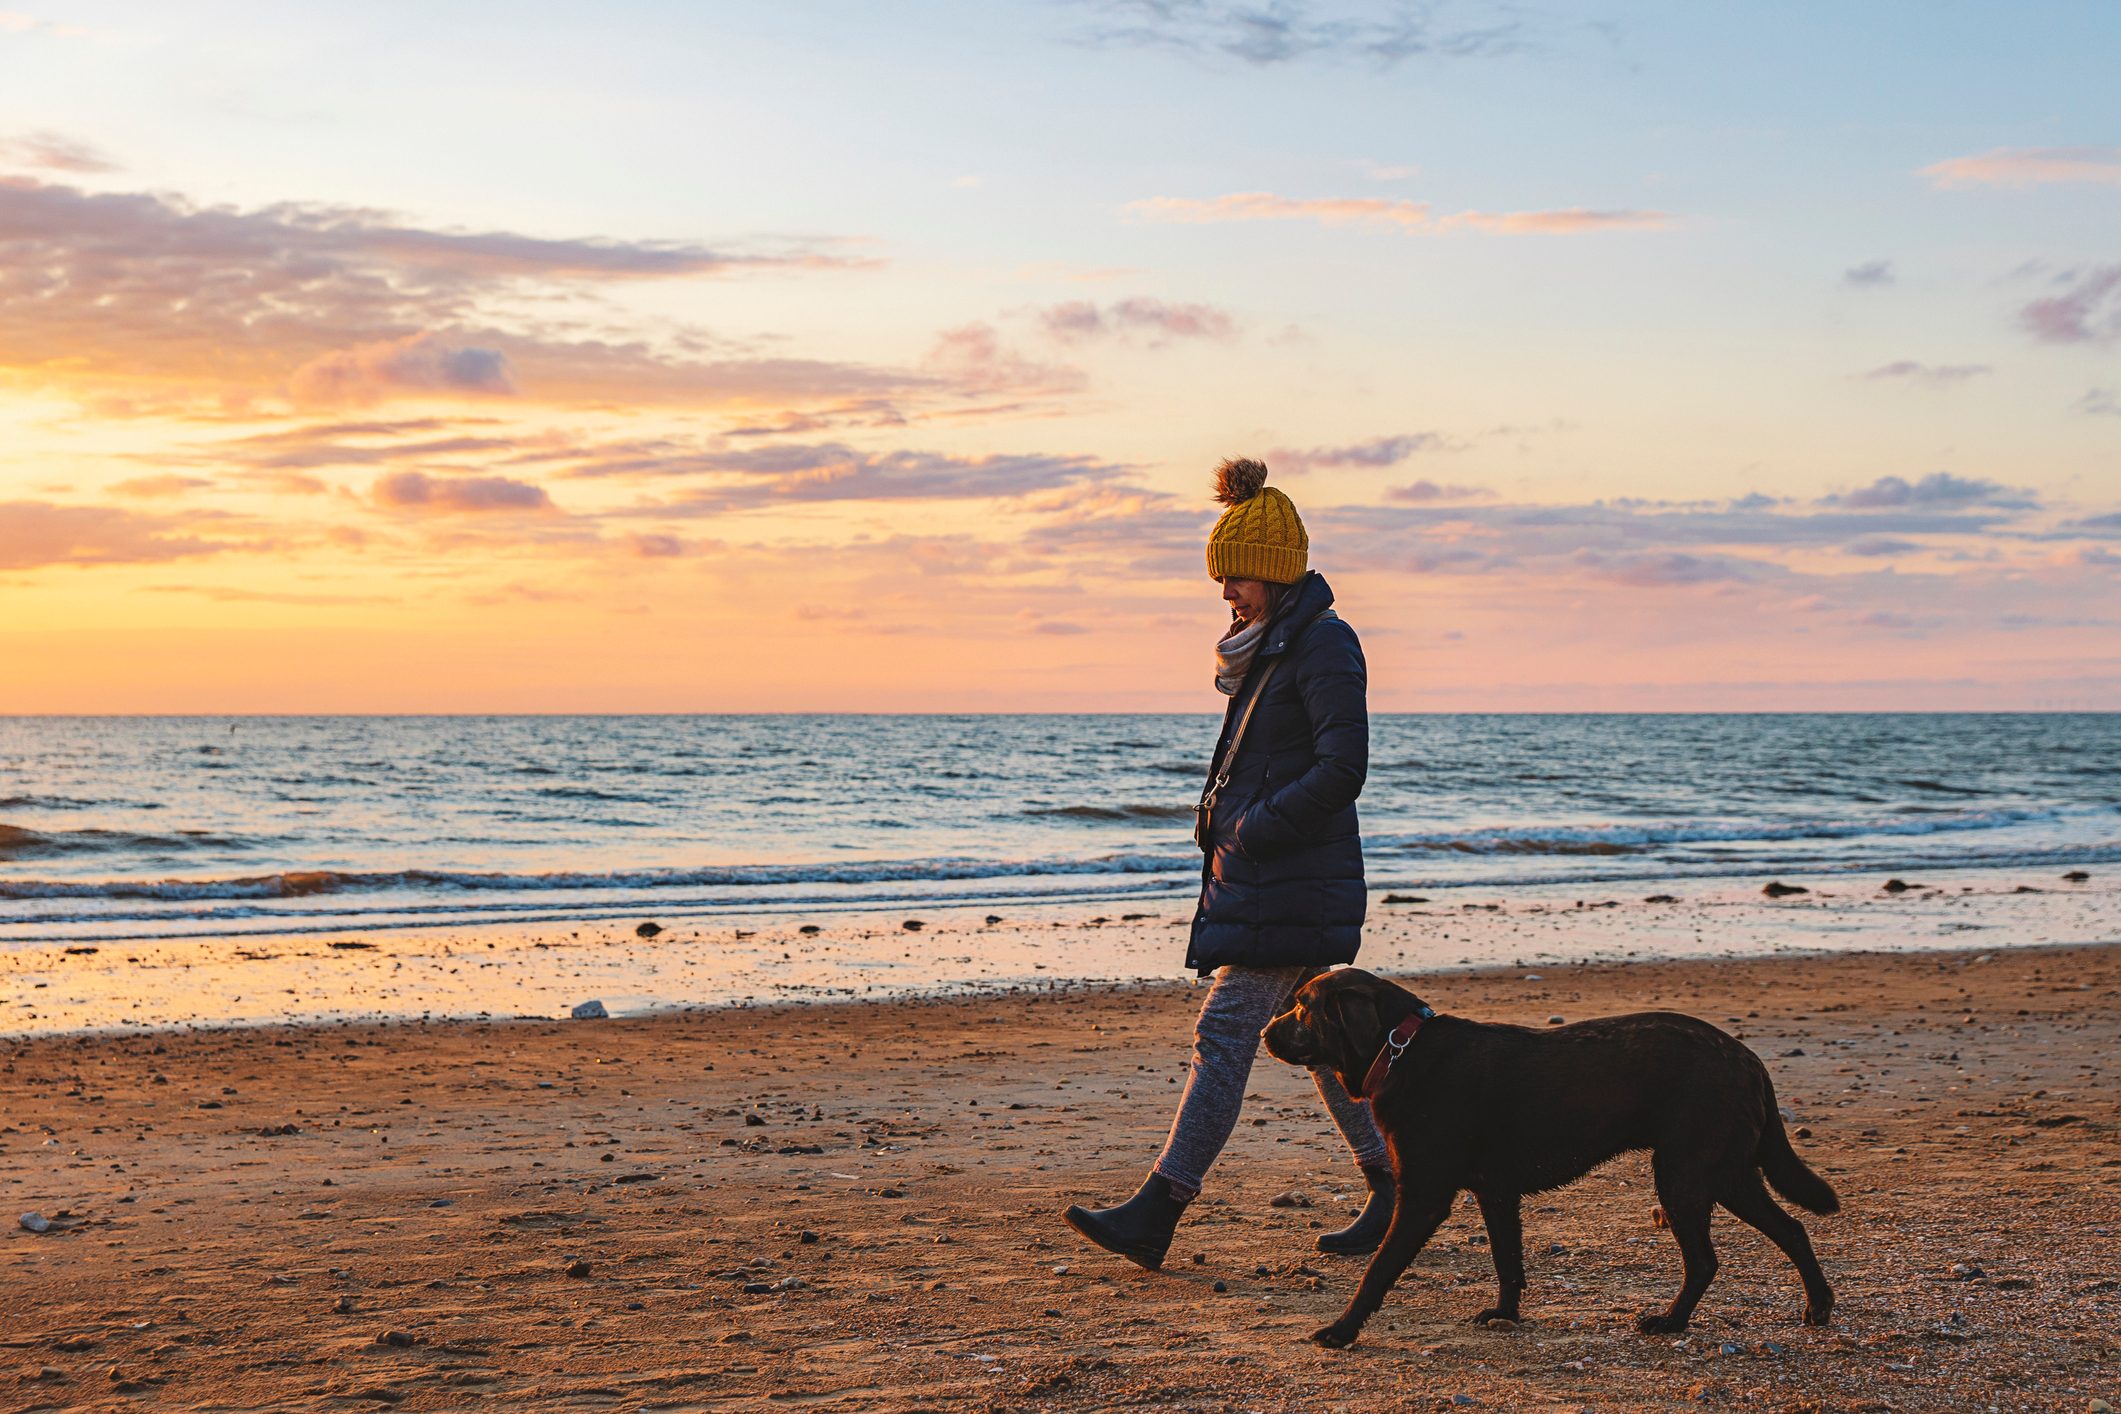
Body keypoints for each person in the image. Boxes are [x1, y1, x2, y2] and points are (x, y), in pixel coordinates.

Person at [1063, 457, 1391, 1269]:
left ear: (1274, 574)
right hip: (1273, 882)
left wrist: (1250, 831)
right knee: (1325, 1040)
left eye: (1234, 578)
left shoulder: (1321, 644)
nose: (1224, 595)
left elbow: (1340, 767)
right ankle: (1396, 1187)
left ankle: (1159, 1208)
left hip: (1284, 876)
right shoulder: (1274, 649)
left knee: (1225, 1032)